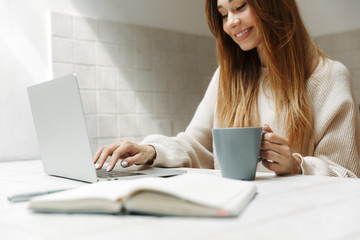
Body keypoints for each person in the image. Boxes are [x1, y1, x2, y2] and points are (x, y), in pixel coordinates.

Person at [93, 0, 360, 177]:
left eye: (239, 6)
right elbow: (195, 144)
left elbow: (346, 175)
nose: (230, 22)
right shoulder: (226, 77)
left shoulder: (329, 77)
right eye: (223, 14)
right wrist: (151, 150)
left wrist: (296, 165)